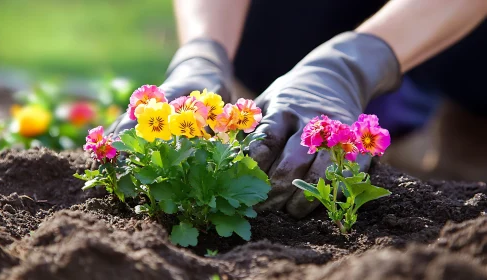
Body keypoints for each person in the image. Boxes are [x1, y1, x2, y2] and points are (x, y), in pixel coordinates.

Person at [110, 0, 487, 218]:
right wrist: (204, 51)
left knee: (455, 203)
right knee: (260, 154)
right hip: (280, 49)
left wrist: (349, 63)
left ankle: (450, 150)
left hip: (457, 58)